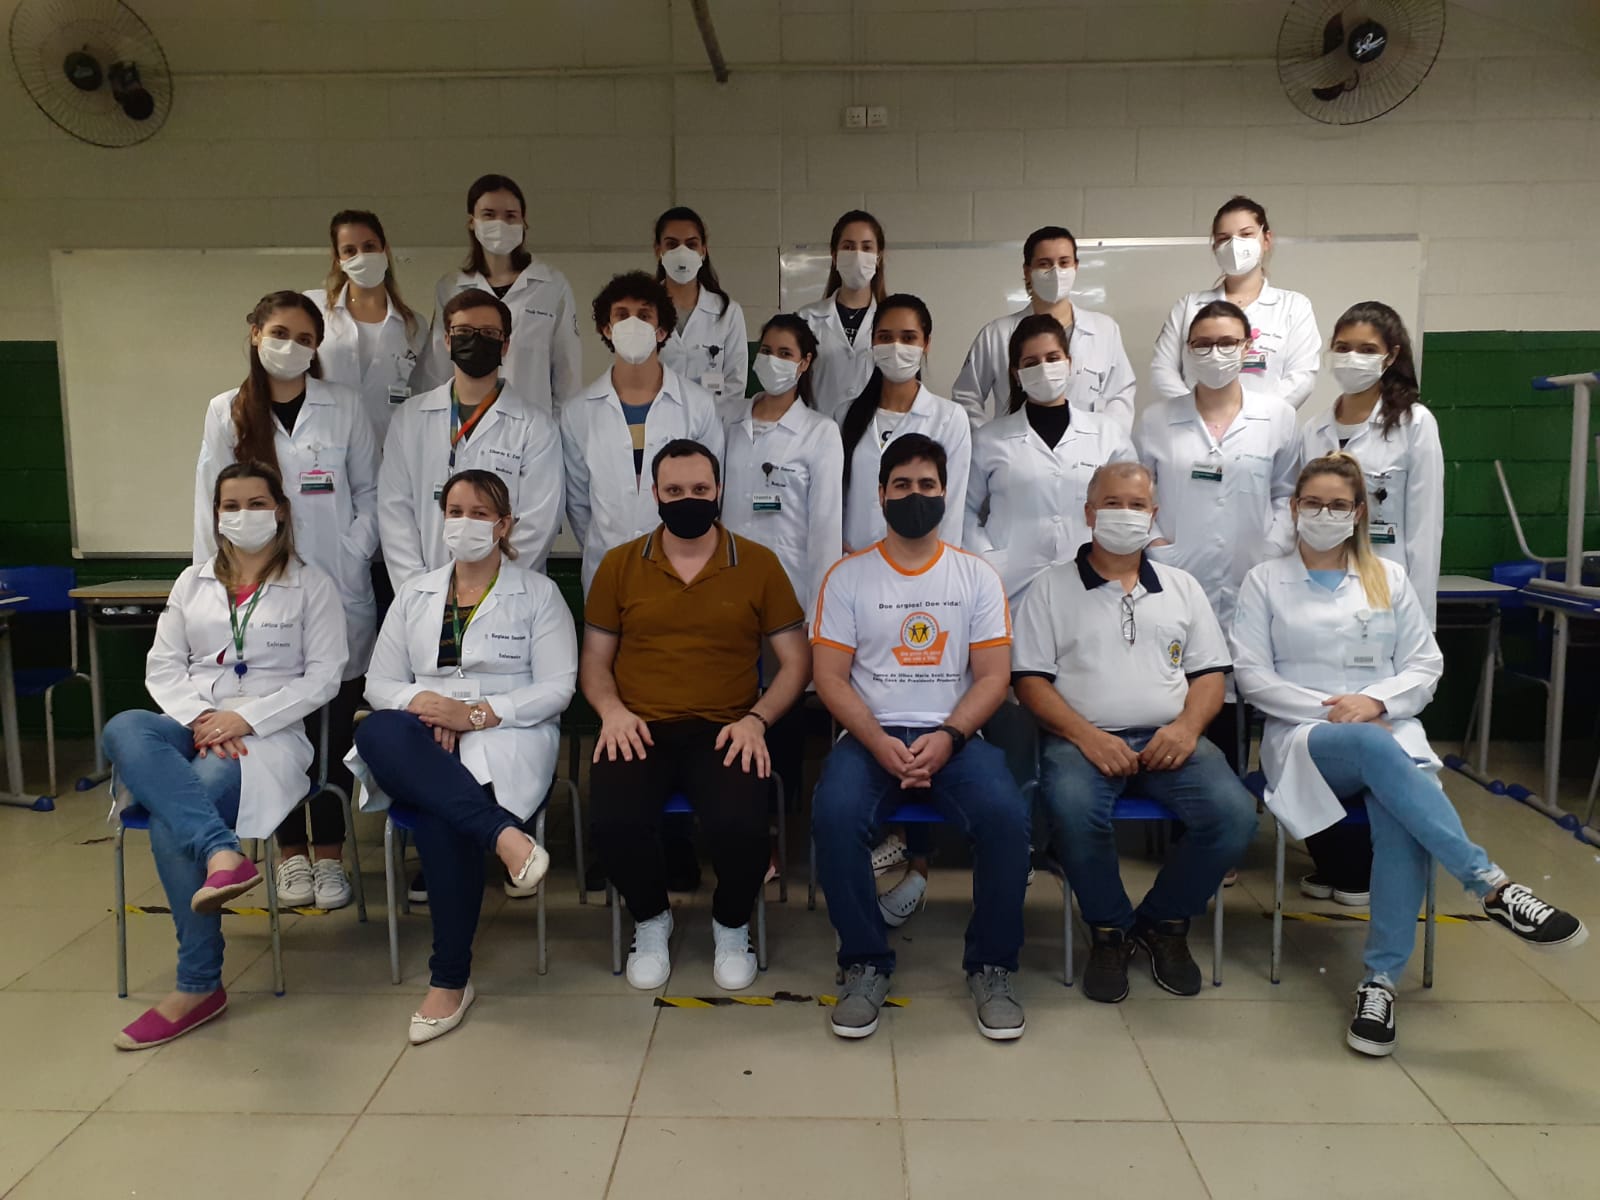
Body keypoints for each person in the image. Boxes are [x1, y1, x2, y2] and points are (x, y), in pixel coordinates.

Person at [1232, 453, 1586, 1057]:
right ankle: (1491, 886)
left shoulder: (1387, 578)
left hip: (1385, 732)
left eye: (1338, 505)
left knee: (1400, 818)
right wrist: (1337, 711)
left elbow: (1425, 665)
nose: (1324, 514)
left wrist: (1375, 701)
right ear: (1293, 509)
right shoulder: (1265, 580)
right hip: (1305, 741)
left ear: (1358, 513)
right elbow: (1252, 676)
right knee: (1376, 748)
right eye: (1313, 503)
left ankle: (1379, 983)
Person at [106, 462, 346, 1049]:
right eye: (230, 505)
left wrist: (246, 718)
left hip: (266, 732)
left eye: (256, 503)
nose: (243, 515)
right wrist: (200, 719)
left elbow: (325, 677)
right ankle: (221, 850)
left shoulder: (312, 585)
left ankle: (198, 984)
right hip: (190, 718)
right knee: (124, 728)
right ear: (215, 516)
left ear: (280, 511)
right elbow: (163, 666)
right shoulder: (192, 582)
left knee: (179, 809)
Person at [811, 433, 1030, 1042]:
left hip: (954, 735)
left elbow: (994, 677)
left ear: (945, 492)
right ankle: (864, 962)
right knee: (834, 814)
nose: (915, 495)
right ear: (881, 494)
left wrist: (952, 734)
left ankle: (992, 966)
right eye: (902, 485)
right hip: (869, 736)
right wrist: (876, 739)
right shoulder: (848, 577)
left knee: (1007, 816)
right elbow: (829, 678)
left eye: (926, 485)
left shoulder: (976, 576)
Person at [1013, 461, 1257, 1003]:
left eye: (1137, 505)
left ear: (1154, 514)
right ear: (1089, 513)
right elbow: (1029, 681)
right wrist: (1087, 737)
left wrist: (1187, 728)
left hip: (1171, 738)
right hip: (1081, 741)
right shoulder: (1050, 588)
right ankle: (1110, 930)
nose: (1125, 514)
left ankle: (1163, 922)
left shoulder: (1182, 587)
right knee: (1072, 809)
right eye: (1112, 504)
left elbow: (1209, 676)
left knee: (1235, 816)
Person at [351, 469, 577, 1044]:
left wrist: (473, 714)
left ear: (504, 526)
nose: (464, 523)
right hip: (422, 734)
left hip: (508, 733)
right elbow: (379, 683)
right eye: (455, 511)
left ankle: (449, 980)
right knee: (378, 732)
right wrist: (429, 706)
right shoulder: (415, 593)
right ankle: (505, 838)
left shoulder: (539, 594)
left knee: (438, 815)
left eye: (480, 513)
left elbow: (558, 688)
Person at [581, 439, 811, 992]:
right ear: (655, 494)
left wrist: (757, 720)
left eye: (700, 489)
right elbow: (594, 662)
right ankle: (651, 920)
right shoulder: (619, 565)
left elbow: (797, 663)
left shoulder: (758, 563)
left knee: (742, 826)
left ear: (719, 491)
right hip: (639, 725)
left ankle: (731, 925)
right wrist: (611, 711)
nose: (688, 499)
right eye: (675, 490)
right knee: (612, 822)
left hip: (727, 727)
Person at [193, 290, 376, 911]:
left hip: (337, 590)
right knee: (272, 728)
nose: (290, 347)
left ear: (317, 346)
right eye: (279, 333)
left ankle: (331, 858)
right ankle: (289, 855)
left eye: (304, 338)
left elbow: (372, 494)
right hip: (258, 597)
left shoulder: (344, 406)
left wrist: (349, 552)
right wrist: (219, 590)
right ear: (254, 333)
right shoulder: (226, 411)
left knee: (331, 730)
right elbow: (210, 504)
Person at [1296, 302, 1443, 908]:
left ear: (1391, 356)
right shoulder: (1314, 428)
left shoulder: (1414, 425)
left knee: (1376, 717)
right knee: (1323, 716)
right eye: (1343, 346)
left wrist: (1419, 617)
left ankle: (1372, 867)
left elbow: (1425, 525)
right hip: (1320, 588)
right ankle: (1337, 861)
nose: (1351, 358)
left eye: (1366, 349)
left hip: (1386, 593)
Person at [964, 312, 1138, 785]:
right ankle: (1022, 807)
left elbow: (1133, 505)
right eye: (1031, 362)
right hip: (1012, 588)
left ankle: (1075, 798)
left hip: (1092, 586)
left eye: (1053, 357)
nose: (1044, 368)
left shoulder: (1106, 434)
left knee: (1082, 696)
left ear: (1070, 362)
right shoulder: (989, 438)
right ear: (1015, 372)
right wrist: (989, 560)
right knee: (1017, 705)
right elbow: (964, 510)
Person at [1135, 299, 1297, 772]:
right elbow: (1137, 494)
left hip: (1253, 571)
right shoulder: (1157, 419)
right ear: (1187, 351)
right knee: (1175, 681)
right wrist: (1156, 547)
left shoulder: (1278, 416)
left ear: (1247, 347)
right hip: (1175, 573)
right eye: (1202, 344)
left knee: (1240, 689)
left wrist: (1271, 547)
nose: (1215, 353)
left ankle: (1234, 789)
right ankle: (1177, 786)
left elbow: (1288, 494)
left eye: (1227, 342)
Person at [721, 315, 845, 843]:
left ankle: (777, 828)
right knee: (729, 704)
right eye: (767, 350)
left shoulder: (820, 432)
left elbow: (826, 530)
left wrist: (817, 615)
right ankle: (732, 820)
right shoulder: (728, 421)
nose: (773, 360)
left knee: (782, 715)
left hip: (791, 602)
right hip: (726, 595)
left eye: (786, 353)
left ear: (805, 362)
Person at [562, 271, 725, 593]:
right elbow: (578, 502)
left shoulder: (698, 405)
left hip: (684, 570)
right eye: (622, 315)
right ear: (606, 328)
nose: (633, 324)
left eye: (644, 315)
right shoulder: (578, 411)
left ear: (662, 331)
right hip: (607, 568)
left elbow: (713, 491)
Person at [416, 173, 581, 418]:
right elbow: (438, 367)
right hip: (467, 423)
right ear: (472, 222)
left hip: (533, 426)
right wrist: (432, 423)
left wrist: (563, 429)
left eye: (510, 215)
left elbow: (568, 372)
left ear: (524, 222)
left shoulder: (552, 285)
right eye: (489, 215)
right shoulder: (451, 287)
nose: (500, 223)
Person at [950, 225, 1137, 430]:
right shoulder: (996, 335)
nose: (1056, 272)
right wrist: (990, 440)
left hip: (1089, 448)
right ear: (1027, 271)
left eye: (1064, 262)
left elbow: (1121, 394)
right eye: (1044, 264)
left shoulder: (1104, 330)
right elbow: (966, 397)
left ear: (1075, 267)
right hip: (1015, 446)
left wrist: (1105, 440)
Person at [1149, 195, 1320, 410]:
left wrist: (1257, 418)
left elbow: (1301, 378)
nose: (1234, 245)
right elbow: (1163, 371)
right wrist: (1198, 414)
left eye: (1246, 234)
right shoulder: (1188, 307)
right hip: (1193, 423)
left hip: (1268, 424)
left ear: (1266, 240)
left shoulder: (1294, 306)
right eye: (1224, 238)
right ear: (1214, 246)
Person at [839, 294, 970, 554]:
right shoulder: (845, 414)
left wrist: (940, 566)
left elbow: (952, 507)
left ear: (926, 343)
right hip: (855, 559)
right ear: (873, 342)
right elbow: (837, 498)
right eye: (885, 337)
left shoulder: (949, 418)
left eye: (908, 338)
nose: (896, 347)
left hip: (920, 564)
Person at [305, 209, 428, 446]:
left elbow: (420, 394)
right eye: (350, 251)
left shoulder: (414, 325)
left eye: (369, 246)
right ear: (338, 259)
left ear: (385, 250)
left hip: (388, 447)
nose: (361, 256)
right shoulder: (314, 307)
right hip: (323, 444)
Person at [654, 206, 748, 403]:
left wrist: (702, 415)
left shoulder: (728, 312)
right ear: (658, 251)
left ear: (703, 251)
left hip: (711, 419)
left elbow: (735, 385)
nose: (682, 252)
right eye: (672, 244)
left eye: (691, 245)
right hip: (656, 418)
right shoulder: (643, 310)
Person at [798, 210, 886, 418]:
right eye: (848, 247)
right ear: (834, 255)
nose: (857, 255)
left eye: (866, 247)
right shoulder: (806, 318)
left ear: (878, 257)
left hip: (875, 432)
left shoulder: (891, 321)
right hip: (819, 431)